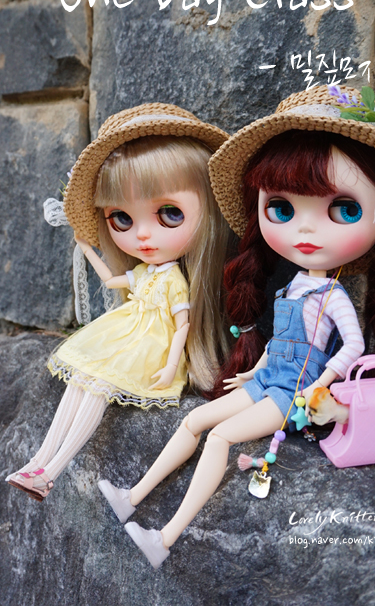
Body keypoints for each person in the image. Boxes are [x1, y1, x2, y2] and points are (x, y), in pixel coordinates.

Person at [98, 85, 375, 568]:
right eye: (282, 208)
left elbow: (350, 347)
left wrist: (324, 383)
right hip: (266, 380)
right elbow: (283, 339)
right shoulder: (296, 286)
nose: (305, 229)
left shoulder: (333, 296)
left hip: (294, 393)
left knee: (220, 437)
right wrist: (254, 368)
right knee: (194, 420)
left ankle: (165, 537)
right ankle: (130, 497)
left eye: (344, 210)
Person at [6, 102, 230, 501]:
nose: (142, 235)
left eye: (169, 214)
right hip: (125, 334)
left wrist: (169, 366)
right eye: (121, 219)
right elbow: (112, 279)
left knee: (96, 388)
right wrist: (88, 248)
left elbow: (182, 326)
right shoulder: (144, 272)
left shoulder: (175, 280)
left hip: (150, 347)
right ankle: (36, 463)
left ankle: (50, 472)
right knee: (80, 381)